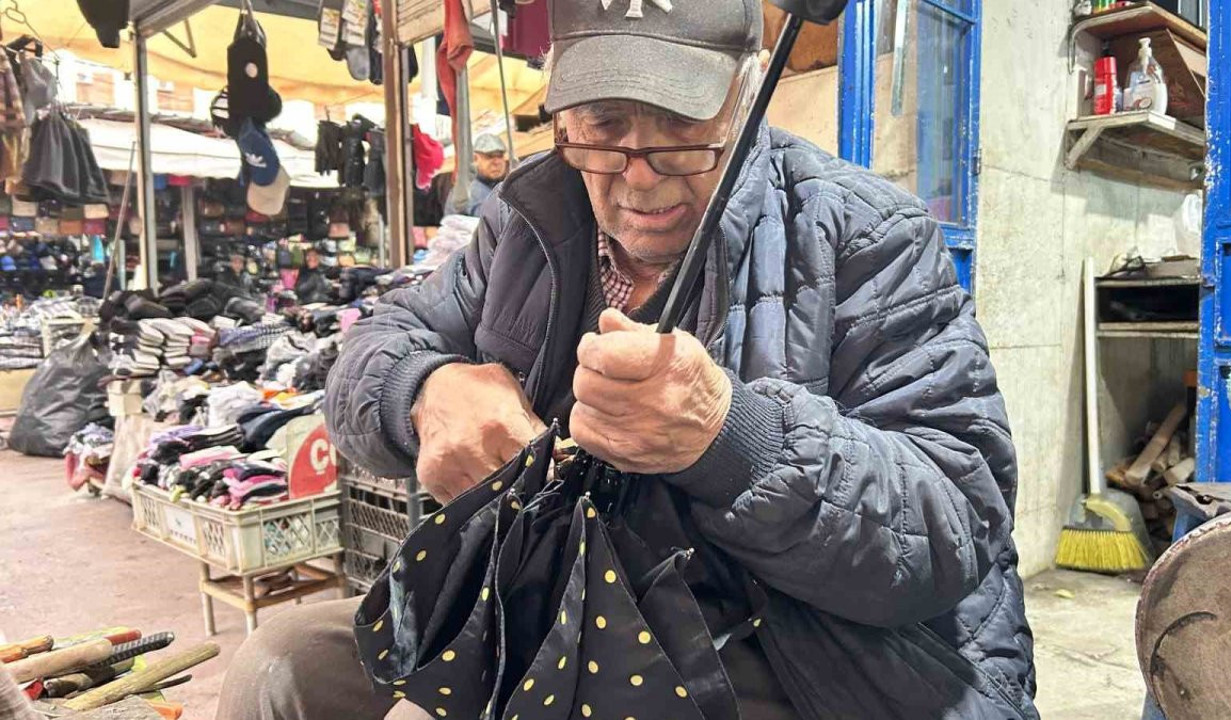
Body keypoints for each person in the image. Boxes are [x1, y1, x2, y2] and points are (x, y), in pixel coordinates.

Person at [219, 0, 1037, 718]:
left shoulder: (868, 234)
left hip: (802, 649)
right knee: (283, 666)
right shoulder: (530, 216)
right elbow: (373, 347)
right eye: (604, 126)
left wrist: (735, 439)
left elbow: (953, 528)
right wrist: (424, 389)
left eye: (682, 127)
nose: (639, 178)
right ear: (561, 107)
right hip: (551, 606)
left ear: (743, 92)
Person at [447, 132, 508, 216]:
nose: (497, 162)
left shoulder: (499, 186)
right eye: (489, 156)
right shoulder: (471, 191)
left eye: (500, 156)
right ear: (475, 159)